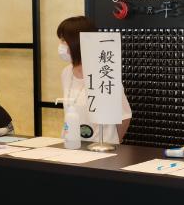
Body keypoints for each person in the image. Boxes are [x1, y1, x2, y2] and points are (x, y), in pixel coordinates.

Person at [57, 16, 132, 144]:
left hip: (100, 148)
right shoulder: (66, 72)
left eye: (64, 40)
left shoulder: (104, 73)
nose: (61, 46)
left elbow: (124, 117)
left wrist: (110, 144)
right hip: (70, 145)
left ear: (77, 42)